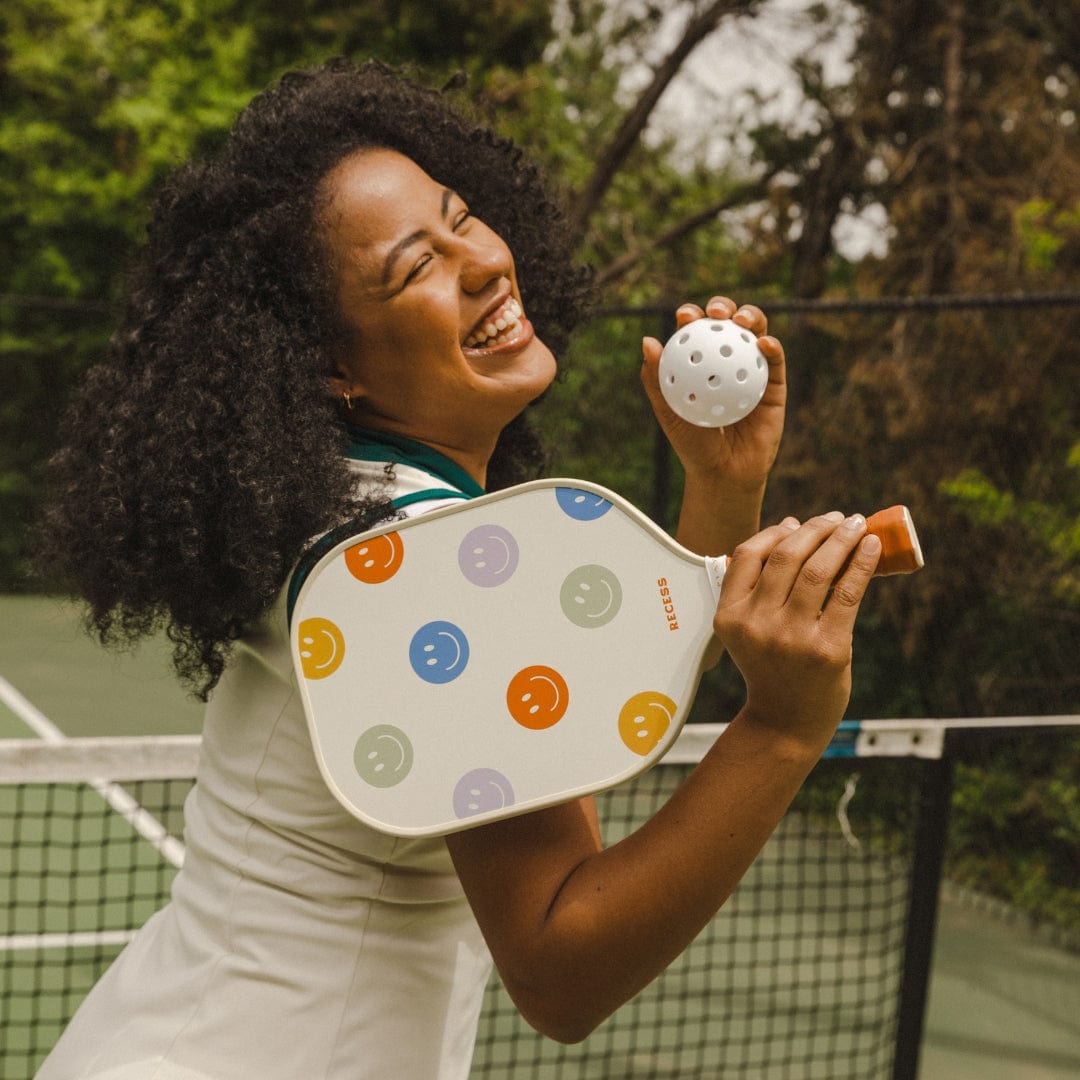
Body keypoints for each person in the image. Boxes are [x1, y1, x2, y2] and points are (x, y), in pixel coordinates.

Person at [34, 57, 882, 1080]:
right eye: (413, 267)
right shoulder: (418, 569)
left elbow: (588, 684)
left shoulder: (357, 515)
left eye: (462, 216)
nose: (482, 262)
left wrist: (721, 486)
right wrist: (782, 729)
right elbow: (561, 969)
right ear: (333, 366)